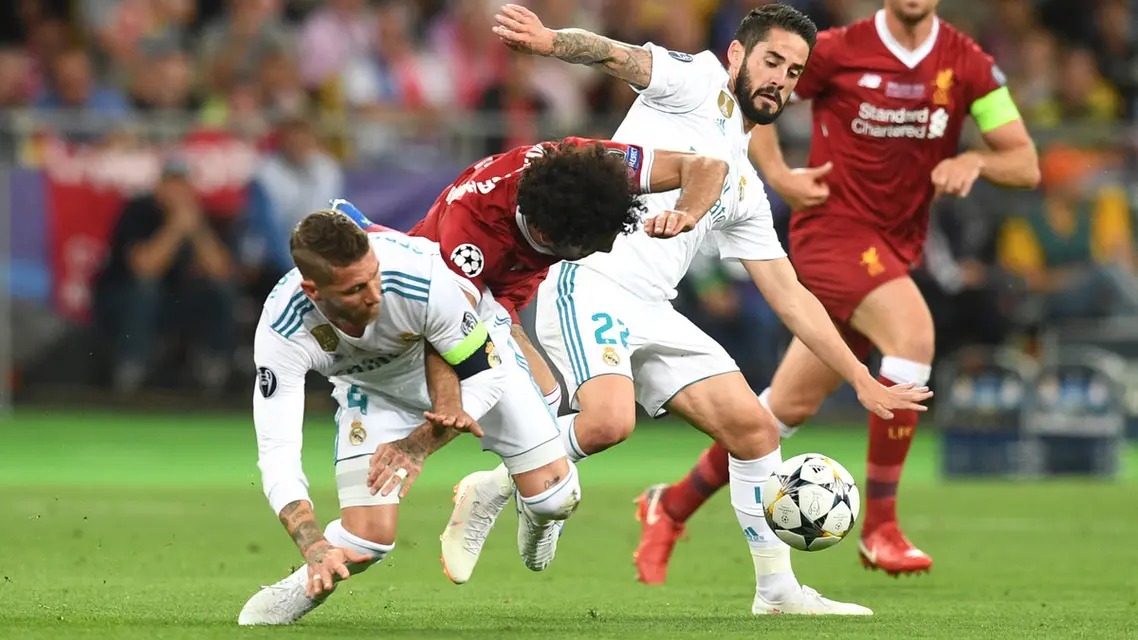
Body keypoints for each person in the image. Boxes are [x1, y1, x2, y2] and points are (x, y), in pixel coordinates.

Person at [427, 3, 932, 615]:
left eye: (794, 72)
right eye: (772, 61)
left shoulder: (745, 187)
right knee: (608, 424)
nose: (780, 80)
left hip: (653, 307)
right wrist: (549, 41)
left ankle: (777, 593)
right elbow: (617, 56)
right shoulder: (696, 80)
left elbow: (790, 294)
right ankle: (498, 485)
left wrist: (861, 379)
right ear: (738, 55)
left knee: (754, 430)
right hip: (590, 280)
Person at [645, 0, 1040, 579]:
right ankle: (881, 528)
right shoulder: (835, 49)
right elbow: (750, 99)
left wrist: (977, 162)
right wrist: (778, 176)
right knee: (912, 334)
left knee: (782, 410)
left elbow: (1026, 163)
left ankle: (670, 506)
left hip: (894, 249)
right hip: (832, 235)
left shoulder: (969, 64)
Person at [236, 210, 577, 626]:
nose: (374, 295)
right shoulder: (283, 330)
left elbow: (485, 375)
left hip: (465, 367)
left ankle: (513, 494)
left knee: (554, 498)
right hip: (375, 391)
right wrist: (313, 545)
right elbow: (278, 451)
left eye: (374, 276)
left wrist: (418, 445)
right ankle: (306, 580)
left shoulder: (419, 277)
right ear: (313, 290)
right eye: (356, 288)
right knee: (364, 542)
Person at [403, 134, 731, 416]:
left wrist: (686, 212)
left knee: (544, 403)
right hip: (429, 291)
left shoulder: (584, 166)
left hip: (499, 289)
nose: (605, 250)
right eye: (587, 246)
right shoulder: (473, 231)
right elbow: (445, 322)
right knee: (532, 402)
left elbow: (708, 166)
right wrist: (449, 405)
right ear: (546, 235)